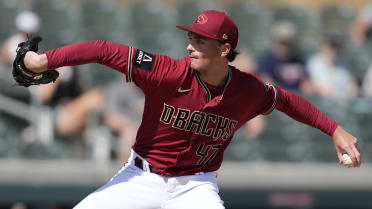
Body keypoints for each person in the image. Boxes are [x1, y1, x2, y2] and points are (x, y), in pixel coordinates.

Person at [20, 10, 361, 209]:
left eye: (200, 41)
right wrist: (43, 60)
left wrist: (334, 128)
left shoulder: (248, 90)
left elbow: (287, 100)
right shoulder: (169, 72)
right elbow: (102, 49)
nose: (190, 45)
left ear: (225, 48)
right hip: (142, 176)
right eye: (191, 38)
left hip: (196, 186)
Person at [258, 21, 313, 96]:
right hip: (279, 99)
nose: (285, 46)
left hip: (298, 98)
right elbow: (267, 83)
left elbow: (307, 84)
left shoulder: (299, 60)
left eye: (288, 43)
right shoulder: (267, 60)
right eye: (282, 42)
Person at [307, 36, 359, 106]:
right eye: (331, 47)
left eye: (336, 48)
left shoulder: (344, 64)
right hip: (322, 105)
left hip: (343, 105)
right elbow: (310, 86)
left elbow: (352, 86)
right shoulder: (314, 63)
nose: (333, 51)